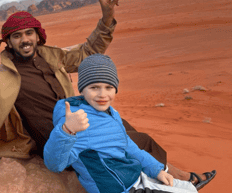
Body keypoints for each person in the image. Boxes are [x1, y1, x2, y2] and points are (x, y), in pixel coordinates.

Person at [0, 0, 215, 189]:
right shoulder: (1, 76)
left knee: (127, 131)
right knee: (122, 145)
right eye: (17, 36)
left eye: (29, 33)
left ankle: (174, 178)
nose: (24, 40)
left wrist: (106, 21)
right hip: (56, 136)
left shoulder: (52, 57)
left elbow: (87, 52)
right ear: (9, 43)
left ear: (38, 36)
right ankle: (181, 181)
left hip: (85, 118)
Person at [43, 54, 201, 192]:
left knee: (190, 188)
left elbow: (128, 145)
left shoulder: (111, 112)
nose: (102, 94)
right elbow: (55, 165)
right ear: (82, 90)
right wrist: (67, 130)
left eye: (109, 87)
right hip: (120, 188)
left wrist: (156, 170)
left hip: (135, 177)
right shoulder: (78, 121)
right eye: (94, 87)